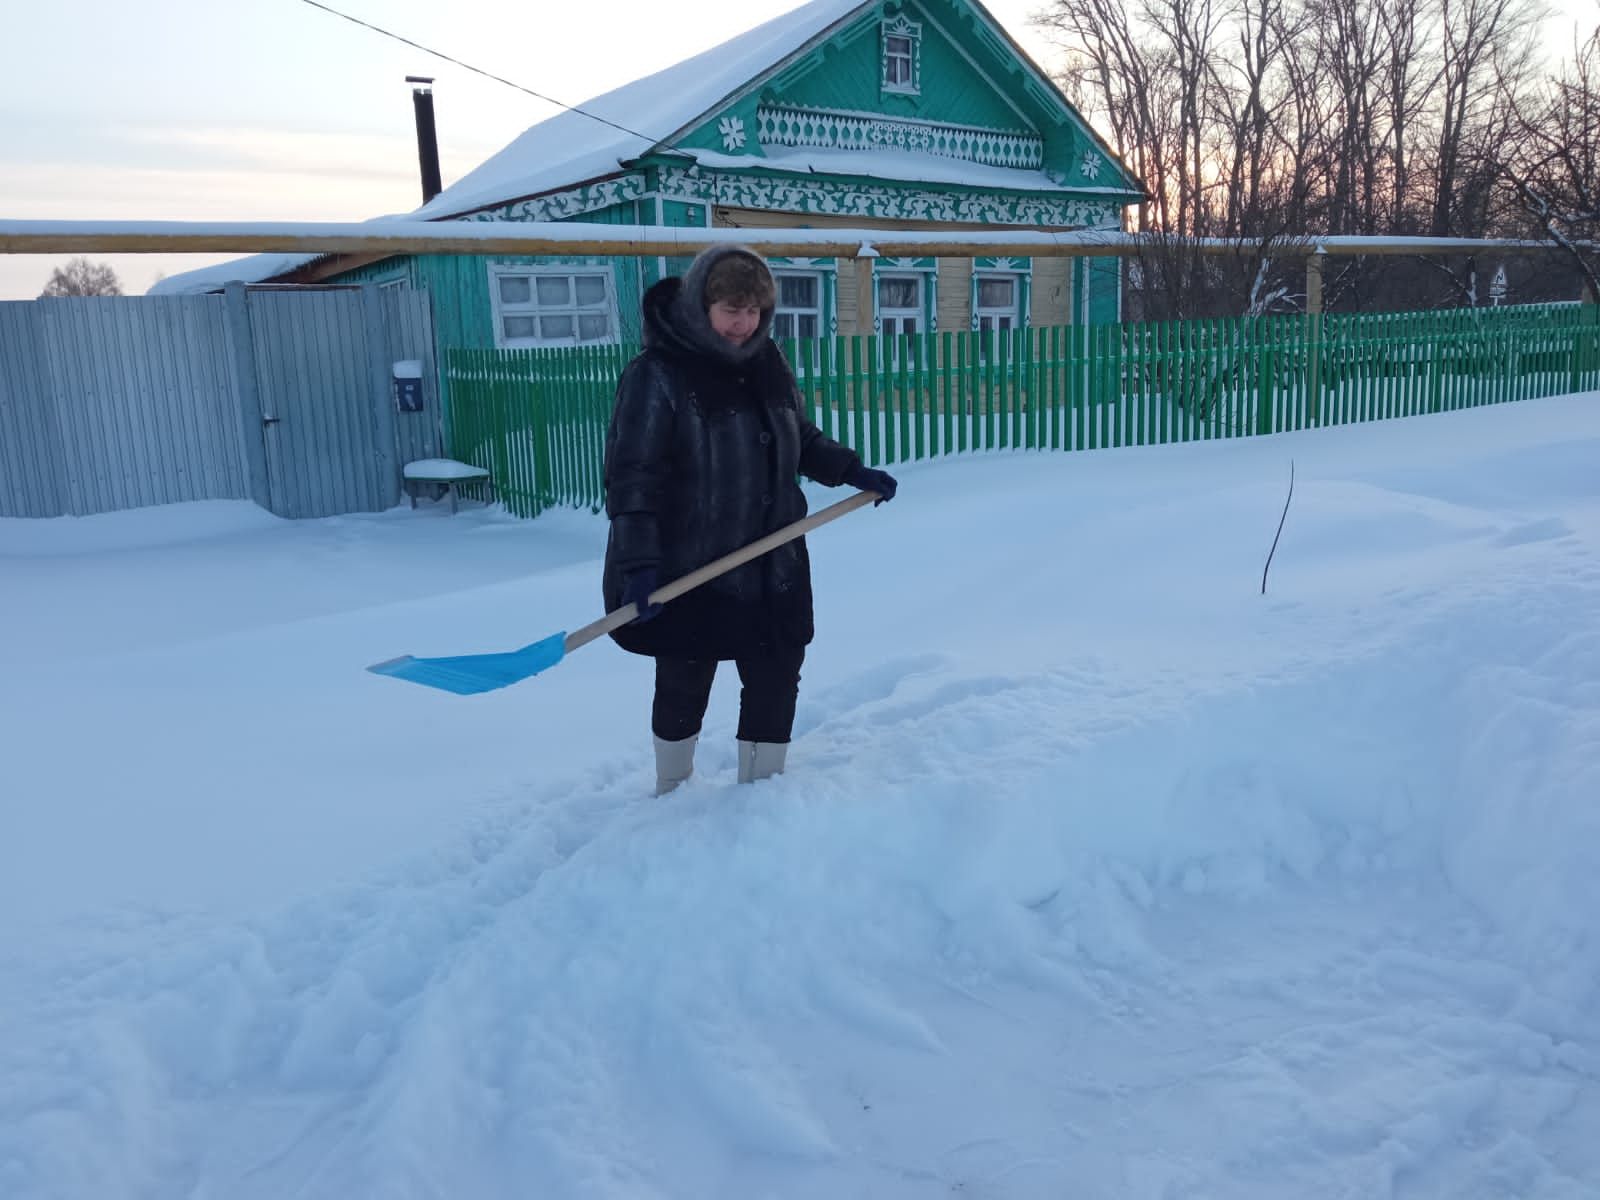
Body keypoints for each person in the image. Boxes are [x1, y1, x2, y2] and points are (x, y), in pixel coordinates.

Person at [602, 245, 898, 794]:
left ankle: (762, 795)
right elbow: (633, 477)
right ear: (700, 305)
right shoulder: (657, 374)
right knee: (685, 676)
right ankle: (672, 790)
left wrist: (851, 471)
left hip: (772, 561)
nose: (744, 325)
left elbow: (798, 438)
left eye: (754, 312)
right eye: (731, 310)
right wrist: (639, 564)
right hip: (689, 563)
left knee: (776, 673)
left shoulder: (768, 362)